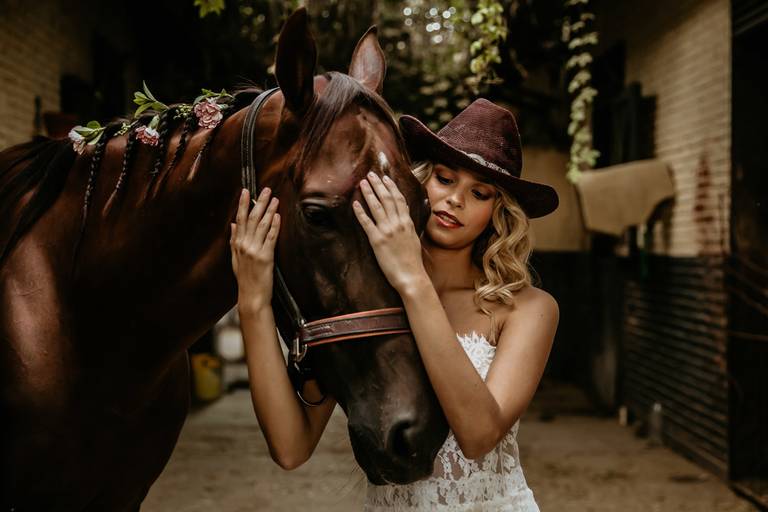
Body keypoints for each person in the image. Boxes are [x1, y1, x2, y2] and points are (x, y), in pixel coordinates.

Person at [230, 98, 560, 511]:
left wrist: (413, 282)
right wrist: (254, 303)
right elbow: (290, 447)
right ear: (419, 181)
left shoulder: (528, 308)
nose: (456, 199)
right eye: (444, 178)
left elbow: (478, 435)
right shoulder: (366, 298)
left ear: (498, 213)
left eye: (479, 193)